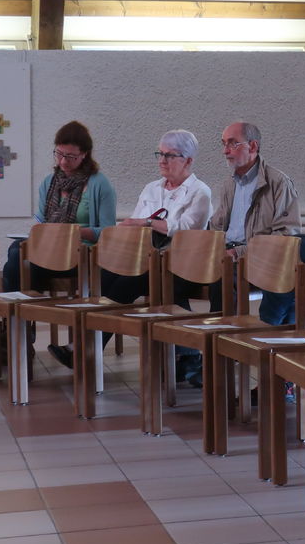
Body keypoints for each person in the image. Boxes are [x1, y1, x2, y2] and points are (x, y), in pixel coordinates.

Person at [47, 129, 211, 369]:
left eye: (170, 155)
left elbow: (186, 230)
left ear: (188, 160)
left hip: (181, 264)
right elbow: (134, 225)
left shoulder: (200, 191)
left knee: (127, 283)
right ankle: (84, 346)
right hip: (146, 258)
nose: (162, 160)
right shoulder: (152, 188)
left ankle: (83, 349)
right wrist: (132, 228)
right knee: (105, 276)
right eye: (160, 154)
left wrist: (148, 222)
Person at [0, 120, 117, 367]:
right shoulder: (49, 183)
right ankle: (17, 340)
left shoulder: (99, 184)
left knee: (18, 262)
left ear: (84, 155)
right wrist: (40, 232)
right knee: (18, 253)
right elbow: (40, 219)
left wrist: (74, 232)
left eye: (70, 156)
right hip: (49, 253)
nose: (63, 161)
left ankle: (13, 342)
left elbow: (108, 232)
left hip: (80, 257)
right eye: (59, 154)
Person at [208, 121, 300, 325]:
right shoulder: (229, 185)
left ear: (253, 146)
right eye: (223, 144)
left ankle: (225, 334)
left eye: (232, 143)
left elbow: (286, 235)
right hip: (228, 254)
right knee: (179, 272)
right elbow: (216, 226)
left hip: (259, 259)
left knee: (222, 278)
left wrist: (239, 252)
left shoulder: (277, 182)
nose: (225, 151)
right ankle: (209, 338)